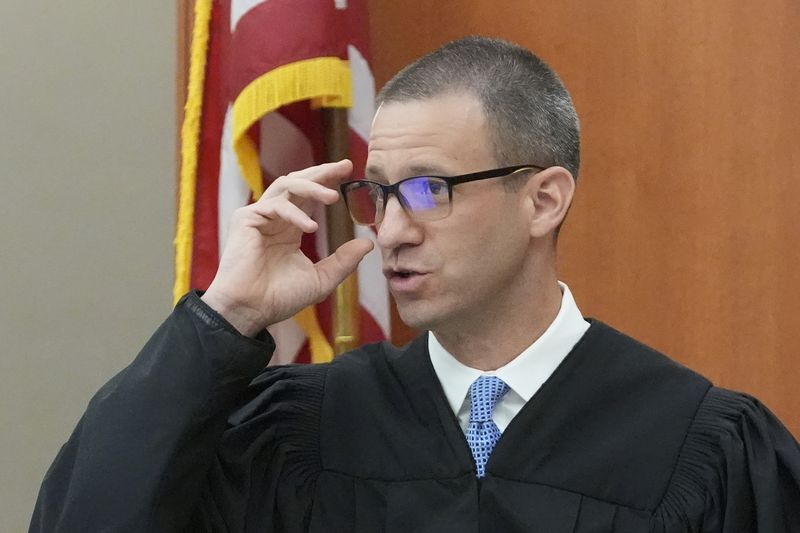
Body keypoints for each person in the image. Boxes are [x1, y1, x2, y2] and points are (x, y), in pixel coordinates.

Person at [30, 36, 799, 532]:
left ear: (544, 198)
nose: (391, 229)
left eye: (431, 190)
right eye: (379, 192)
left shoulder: (699, 446)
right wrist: (225, 317)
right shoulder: (301, 432)